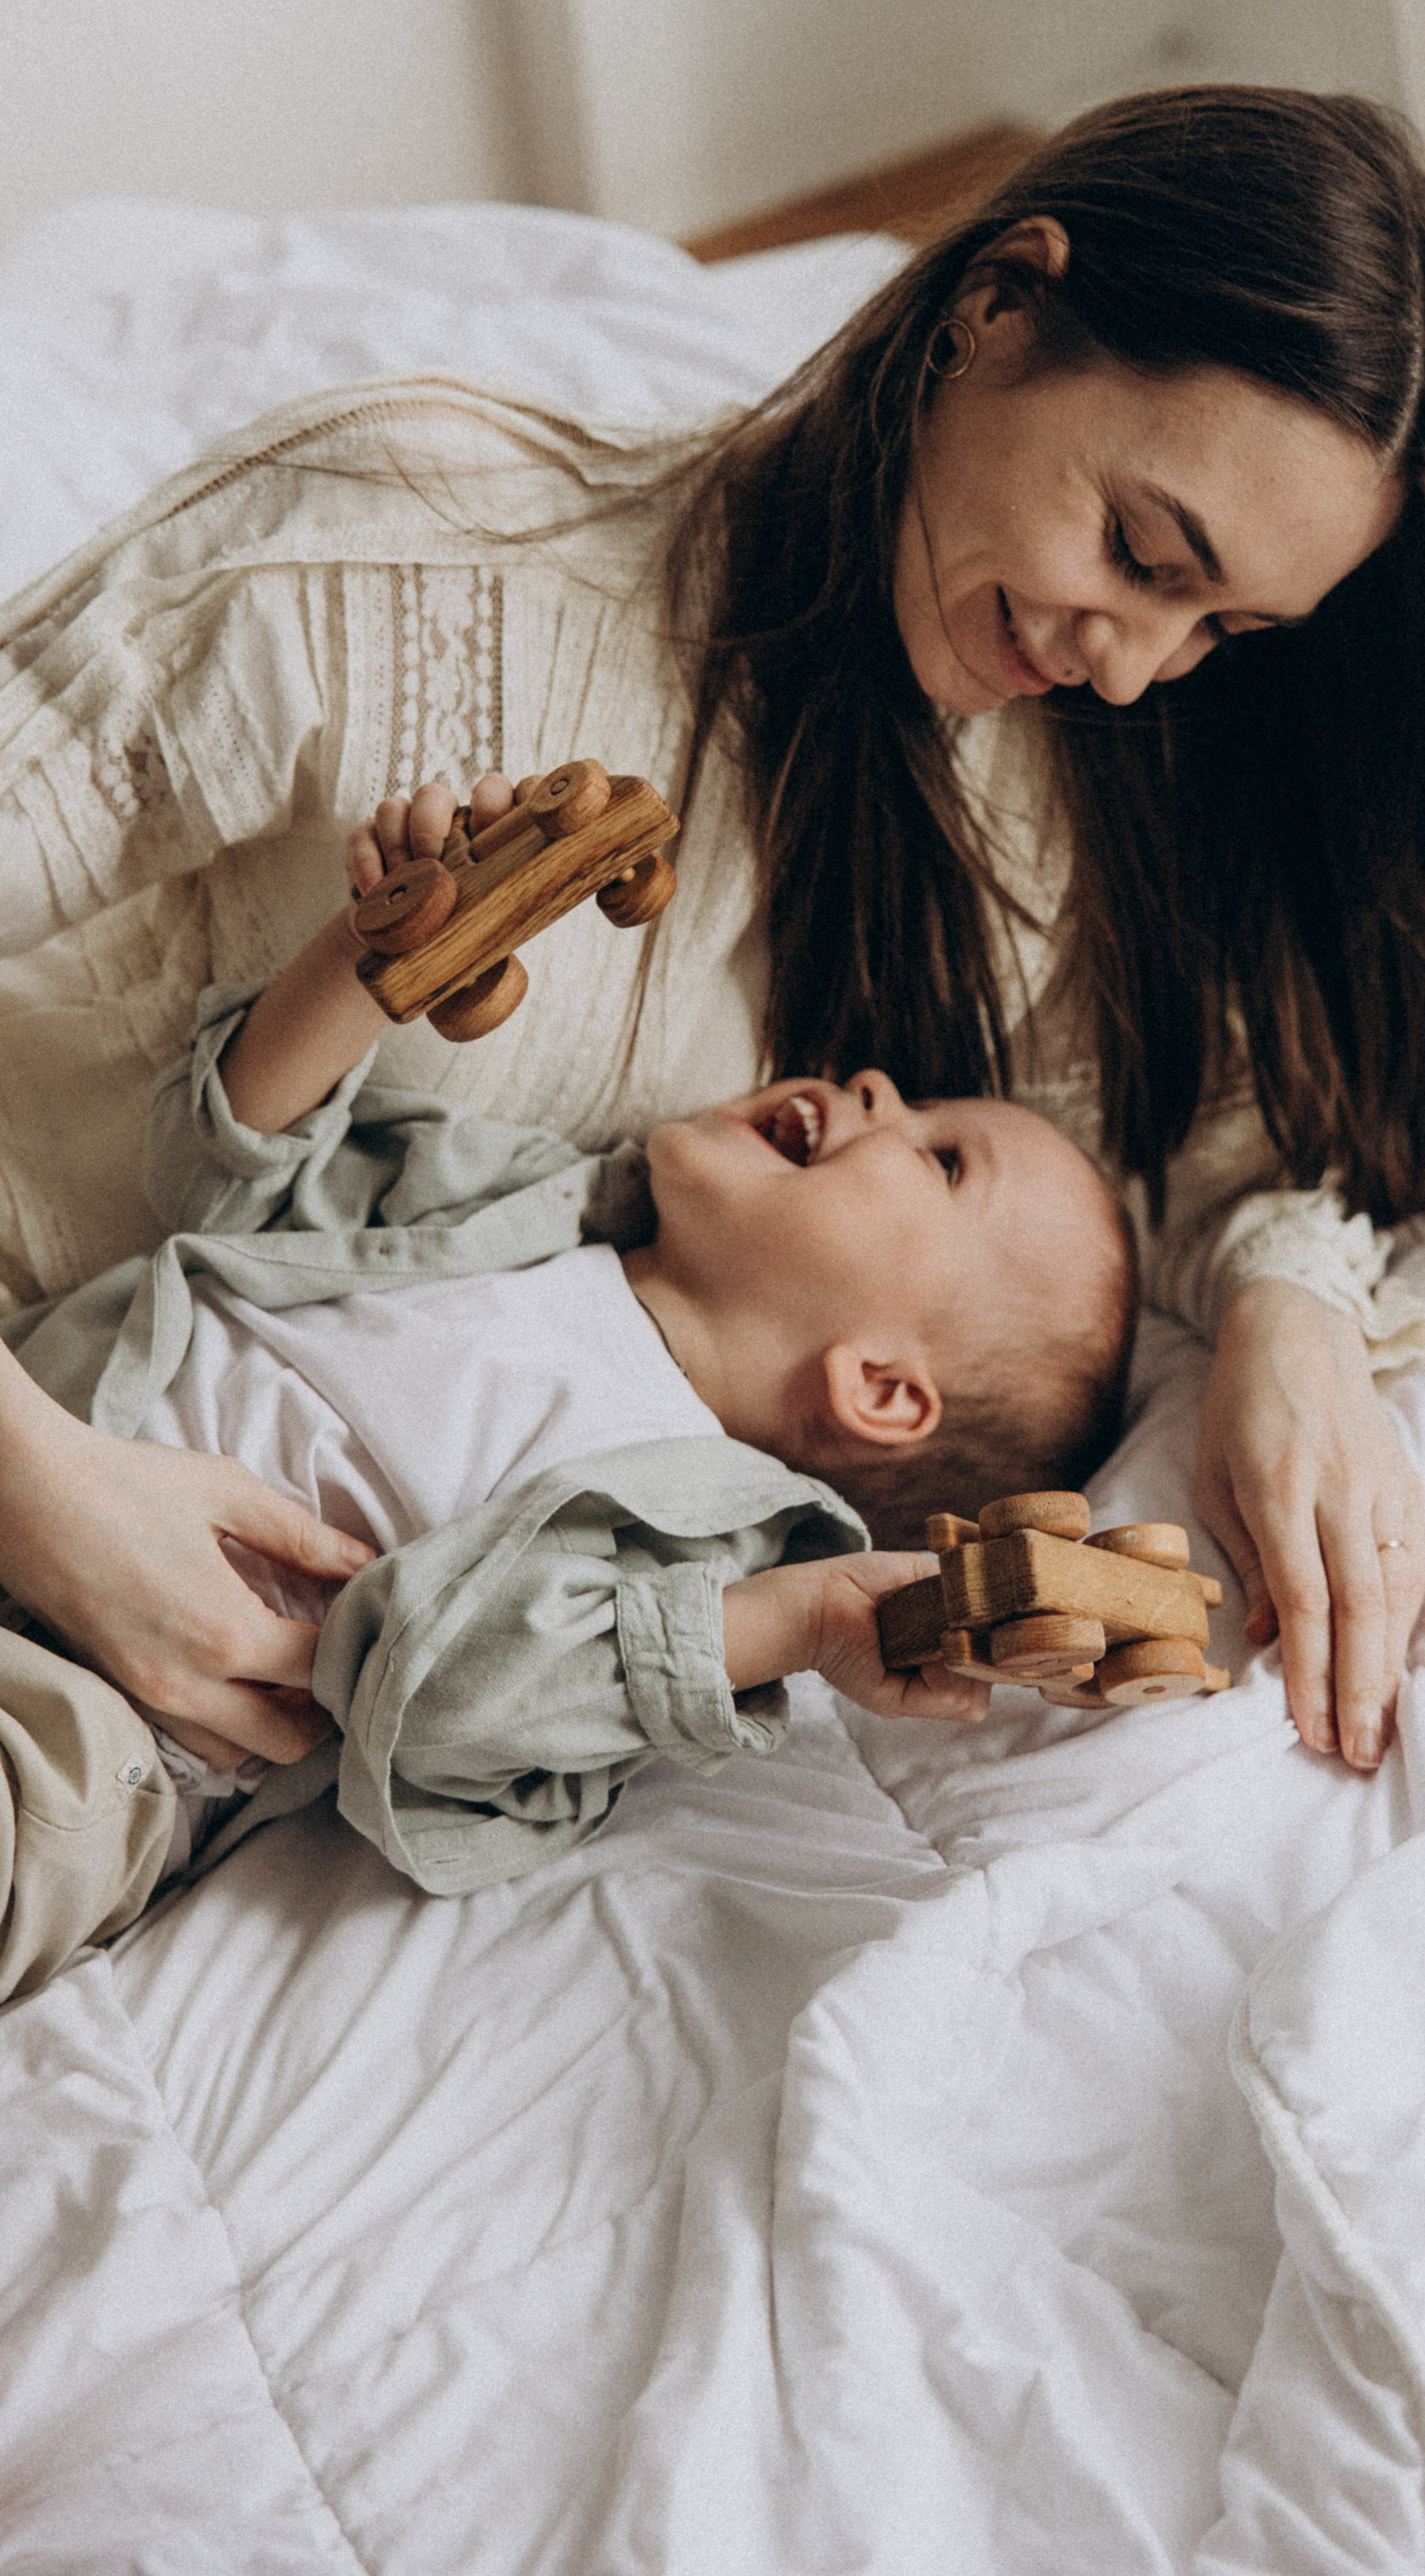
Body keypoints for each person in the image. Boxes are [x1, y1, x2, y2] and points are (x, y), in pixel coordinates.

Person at [0, 85, 1425, 1781]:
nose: (1129, 663)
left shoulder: (1017, 802)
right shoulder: (390, 572)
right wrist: (47, 1493)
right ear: (991, 309)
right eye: (1136, 550)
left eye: (1216, 629)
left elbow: (1174, 1137)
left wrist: (1291, 1328)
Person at [0, 792, 1137, 1999]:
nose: (874, 1083)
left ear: (882, 1389)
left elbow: (444, 1705)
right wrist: (370, 961)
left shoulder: (703, 1532)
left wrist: (796, 1624)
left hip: (100, 1733)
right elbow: (221, 1179)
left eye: (941, 1155)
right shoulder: (533, 1211)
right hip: (50, 1415)